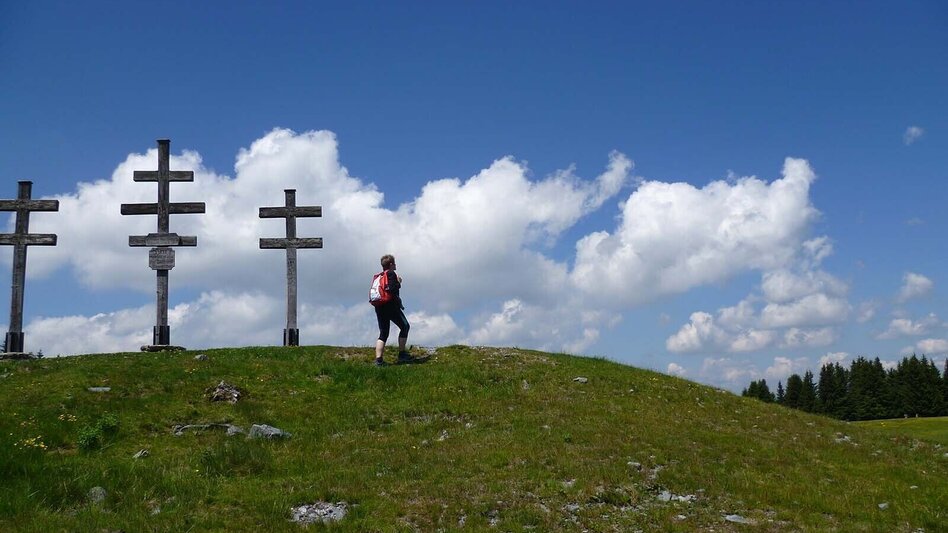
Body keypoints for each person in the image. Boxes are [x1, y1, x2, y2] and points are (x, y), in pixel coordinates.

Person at [374, 254, 411, 366]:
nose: (395, 265)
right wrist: (398, 282)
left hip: (379, 306)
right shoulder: (391, 274)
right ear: (391, 264)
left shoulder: (379, 276)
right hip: (390, 306)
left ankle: (379, 361)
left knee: (383, 333)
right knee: (405, 326)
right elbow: (392, 289)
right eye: (394, 263)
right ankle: (402, 354)